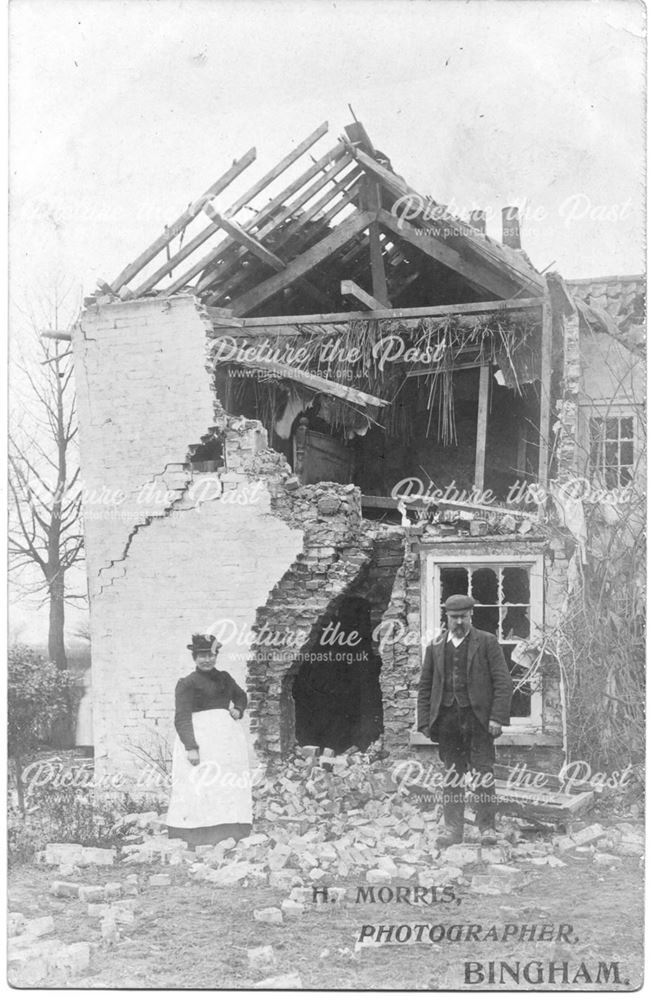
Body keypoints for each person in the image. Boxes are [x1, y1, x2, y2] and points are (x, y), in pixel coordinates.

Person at [417, 594, 513, 847]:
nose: (458, 622)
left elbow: (503, 682)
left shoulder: (487, 642)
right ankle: (452, 829)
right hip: (448, 720)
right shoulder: (435, 647)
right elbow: (425, 687)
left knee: (483, 774)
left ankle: (486, 829)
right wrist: (425, 721)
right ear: (446, 617)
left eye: (463, 617)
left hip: (479, 720)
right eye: (454, 617)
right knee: (452, 776)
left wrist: (497, 717)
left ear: (471, 616)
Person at [166, 633, 252, 847]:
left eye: (211, 655)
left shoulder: (224, 678)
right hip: (200, 739)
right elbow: (182, 717)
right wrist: (191, 747)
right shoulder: (187, 683)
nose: (207, 660)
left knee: (224, 783)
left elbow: (241, 696)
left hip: (225, 742)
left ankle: (228, 829)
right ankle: (197, 834)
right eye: (202, 656)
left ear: (216, 655)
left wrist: (238, 710)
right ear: (194, 657)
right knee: (200, 784)